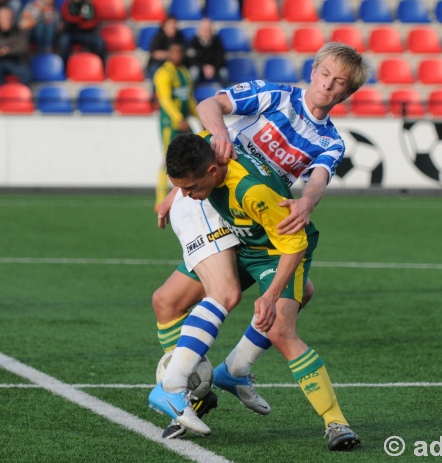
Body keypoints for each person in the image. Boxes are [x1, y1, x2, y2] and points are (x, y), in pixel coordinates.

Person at [152, 43, 369, 450]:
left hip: (254, 214)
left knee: (292, 302)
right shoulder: (275, 95)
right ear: (314, 70)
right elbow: (209, 104)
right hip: (216, 199)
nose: (329, 85)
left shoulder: (331, 141)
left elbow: (319, 176)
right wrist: (210, 149)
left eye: (340, 83)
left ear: (346, 93)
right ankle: (193, 387)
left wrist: (307, 200)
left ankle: (330, 420)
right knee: (172, 302)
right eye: (326, 74)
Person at [149, 131, 349, 444]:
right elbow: (203, 128)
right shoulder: (208, 150)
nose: (187, 195)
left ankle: (336, 423)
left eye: (190, 188)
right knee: (166, 300)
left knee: (281, 329)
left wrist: (269, 297)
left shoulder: (251, 191)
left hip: (276, 252)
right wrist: (171, 195)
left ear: (212, 171)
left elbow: (295, 245)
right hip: (241, 241)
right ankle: (228, 373)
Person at [152, 40, 197, 211]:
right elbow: (164, 99)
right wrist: (178, 118)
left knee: (193, 158)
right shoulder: (163, 73)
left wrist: (199, 117)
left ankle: (189, 194)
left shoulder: (184, 72)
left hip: (184, 123)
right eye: (175, 52)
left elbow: (189, 98)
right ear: (169, 54)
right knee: (167, 161)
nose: (178, 55)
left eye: (181, 52)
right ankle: (160, 200)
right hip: (170, 125)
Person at [0, 6, 31, 88]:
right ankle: (3, 93)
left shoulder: (19, 32)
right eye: (6, 18)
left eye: (11, 18)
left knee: (27, 74)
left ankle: (20, 95)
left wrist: (8, 50)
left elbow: (23, 47)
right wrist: (14, 43)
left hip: (16, 61)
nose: (9, 20)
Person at [186, 17, 228, 89]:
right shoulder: (193, 41)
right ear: (200, 30)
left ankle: (225, 95)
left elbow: (221, 57)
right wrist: (203, 67)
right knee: (193, 73)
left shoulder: (217, 40)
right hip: (199, 67)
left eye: (208, 30)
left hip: (214, 68)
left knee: (224, 73)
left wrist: (213, 67)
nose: (207, 33)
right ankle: (191, 95)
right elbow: (191, 59)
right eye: (204, 30)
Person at [58, 0, 104, 65]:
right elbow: (67, 19)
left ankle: (99, 66)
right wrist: (80, 20)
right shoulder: (67, 4)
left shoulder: (90, 5)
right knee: (64, 41)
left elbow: (95, 22)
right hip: (71, 33)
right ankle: (64, 66)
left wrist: (81, 24)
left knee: (99, 42)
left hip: (87, 33)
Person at [146, 15, 185, 80]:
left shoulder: (180, 37)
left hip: (176, 65)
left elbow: (182, 52)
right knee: (156, 71)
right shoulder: (158, 37)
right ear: (164, 26)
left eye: (174, 24)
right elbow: (156, 54)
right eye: (170, 24)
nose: (172, 26)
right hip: (159, 64)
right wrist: (172, 55)